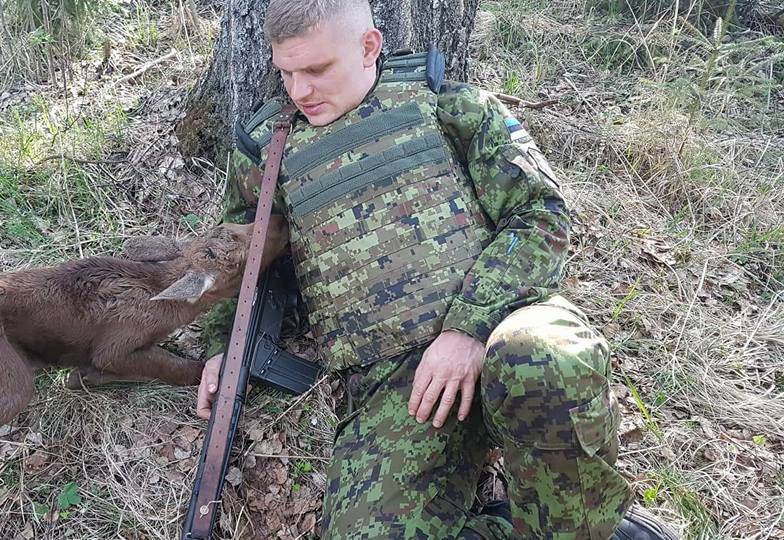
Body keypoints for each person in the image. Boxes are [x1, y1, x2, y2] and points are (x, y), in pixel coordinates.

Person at [195, 1, 679, 538]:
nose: (298, 92)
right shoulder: (268, 148)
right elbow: (237, 256)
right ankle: (505, 525)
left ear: (368, 47)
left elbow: (541, 215)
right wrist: (222, 345)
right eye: (286, 72)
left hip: (503, 331)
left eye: (315, 70)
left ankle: (585, 523)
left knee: (543, 358)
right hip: (393, 386)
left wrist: (467, 327)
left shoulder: (446, 105)